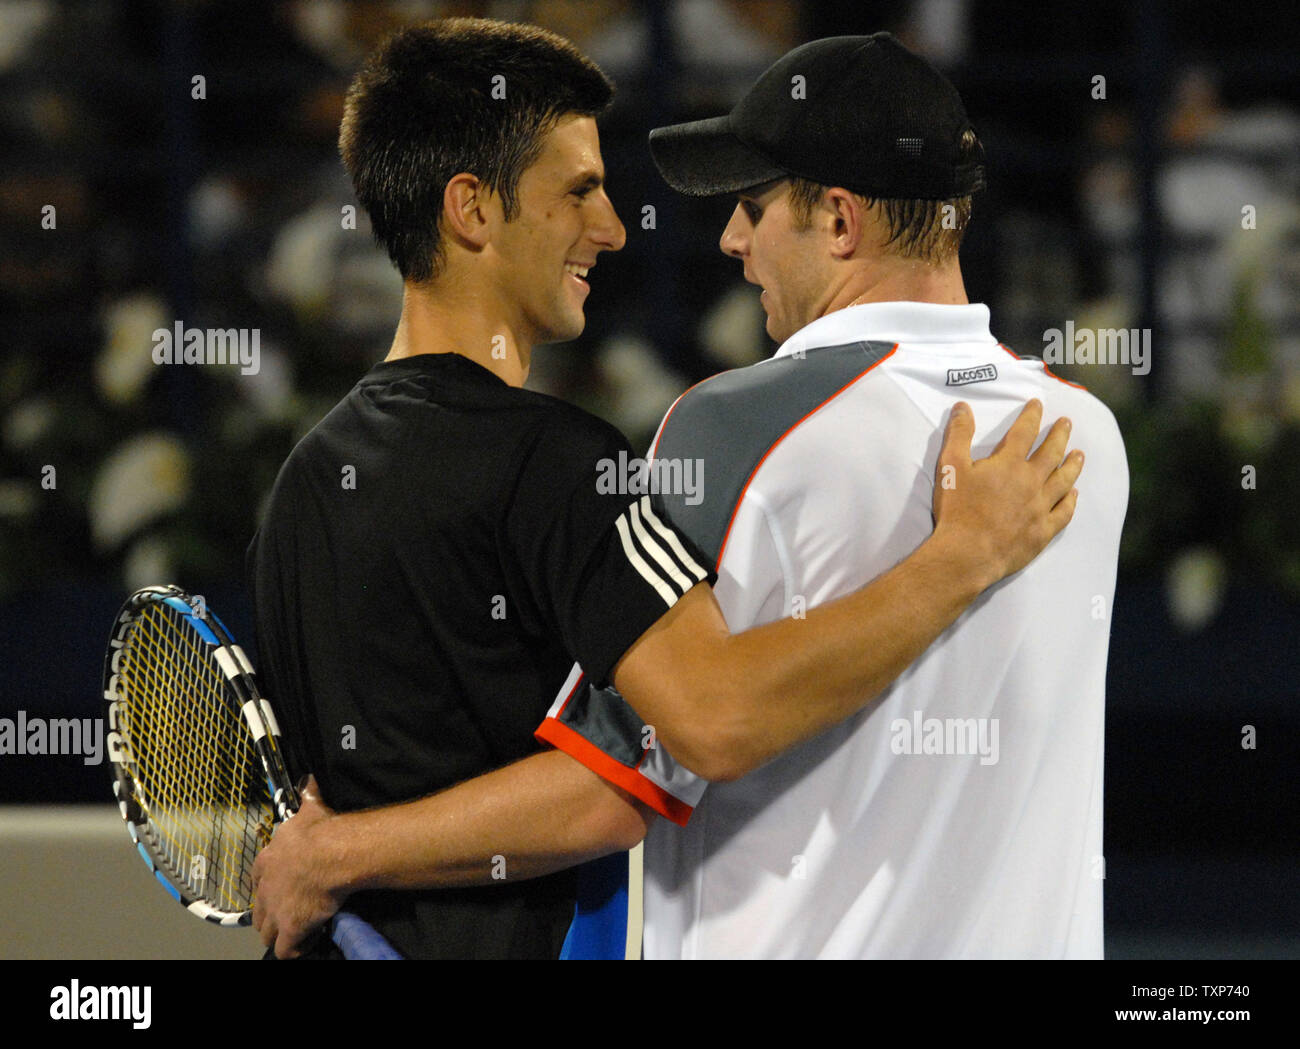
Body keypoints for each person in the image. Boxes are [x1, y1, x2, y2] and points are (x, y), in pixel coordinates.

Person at [249, 22, 1086, 960]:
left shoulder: (300, 487)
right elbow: (694, 732)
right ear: (472, 210)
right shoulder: (564, 467)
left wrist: (330, 856)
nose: (611, 228)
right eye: (578, 193)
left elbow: (339, 798)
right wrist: (960, 558)